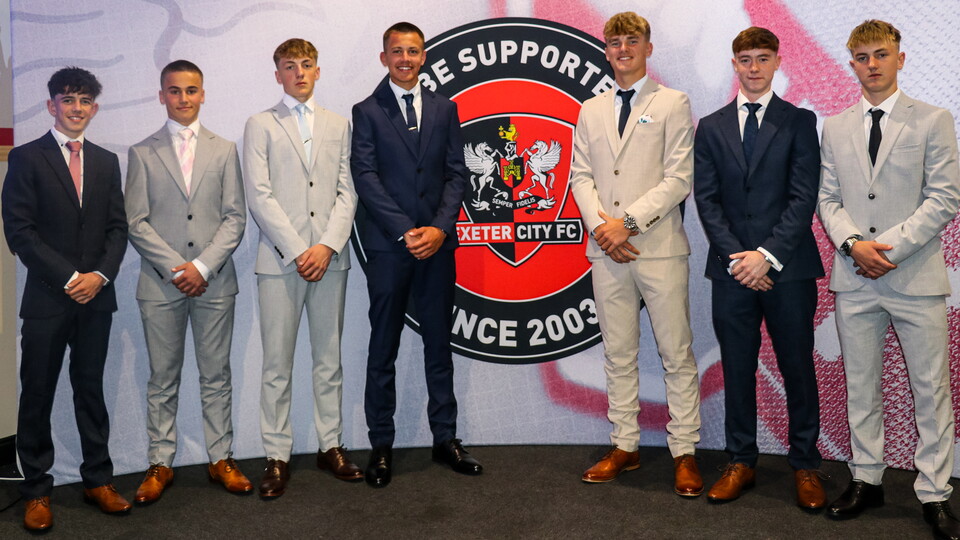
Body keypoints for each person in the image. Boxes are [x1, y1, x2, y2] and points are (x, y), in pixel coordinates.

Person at [817, 19, 960, 538]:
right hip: (854, 277)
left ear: (900, 58)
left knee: (931, 389)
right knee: (861, 385)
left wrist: (887, 251)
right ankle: (867, 479)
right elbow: (827, 198)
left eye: (881, 54)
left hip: (915, 276)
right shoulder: (834, 127)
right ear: (851, 63)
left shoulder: (933, 119)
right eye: (862, 56)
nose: (872, 64)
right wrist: (854, 245)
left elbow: (945, 196)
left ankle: (935, 493)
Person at [569, 11, 702, 496]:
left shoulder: (672, 102)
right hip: (606, 251)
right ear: (606, 51)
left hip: (658, 248)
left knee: (676, 354)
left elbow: (679, 178)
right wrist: (602, 229)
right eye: (614, 42)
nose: (622, 49)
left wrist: (624, 225)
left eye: (631, 40)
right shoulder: (591, 109)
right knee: (618, 354)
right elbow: (580, 175)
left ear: (648, 47)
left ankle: (684, 451)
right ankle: (624, 445)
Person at [694, 27, 825, 508]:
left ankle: (806, 463)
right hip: (731, 272)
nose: (754, 67)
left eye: (763, 58)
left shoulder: (800, 121)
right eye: (745, 58)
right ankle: (740, 460)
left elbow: (803, 197)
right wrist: (740, 259)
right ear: (734, 64)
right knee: (737, 367)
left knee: (797, 367)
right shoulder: (710, 126)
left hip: (788, 270)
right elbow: (707, 201)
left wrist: (765, 256)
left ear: (776, 62)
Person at [351, 21, 481, 488]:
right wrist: (407, 231)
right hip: (390, 247)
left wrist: (439, 229)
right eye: (396, 51)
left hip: (437, 247)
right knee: (383, 345)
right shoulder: (367, 111)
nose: (404, 59)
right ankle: (381, 444)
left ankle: (445, 438)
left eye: (412, 51)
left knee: (438, 345)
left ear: (423, 56)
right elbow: (365, 177)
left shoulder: (446, 109)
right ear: (384, 57)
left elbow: (456, 174)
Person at [1, 67, 130, 530]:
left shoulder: (106, 161)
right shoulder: (26, 157)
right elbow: (19, 232)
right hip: (47, 300)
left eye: (85, 101)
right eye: (68, 99)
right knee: (37, 393)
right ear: (51, 104)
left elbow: (118, 229)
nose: (77, 108)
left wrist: (99, 276)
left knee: (90, 391)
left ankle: (98, 480)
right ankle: (36, 489)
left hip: (96, 299)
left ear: (94, 108)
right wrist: (71, 277)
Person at [125, 60, 250, 504]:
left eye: (191, 90)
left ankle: (221, 458)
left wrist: (203, 267)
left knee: (217, 375)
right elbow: (136, 222)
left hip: (215, 282)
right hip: (161, 285)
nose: (183, 98)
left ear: (203, 94)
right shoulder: (141, 152)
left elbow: (235, 217)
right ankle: (160, 461)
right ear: (161, 95)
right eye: (174, 91)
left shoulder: (225, 149)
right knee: (163, 378)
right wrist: (180, 268)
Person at [243, 38, 360, 498]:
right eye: (290, 66)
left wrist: (327, 245)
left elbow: (348, 190)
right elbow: (259, 194)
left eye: (306, 64)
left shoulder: (339, 124)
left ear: (318, 70)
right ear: (278, 75)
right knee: (277, 364)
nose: (299, 73)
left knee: (329, 360)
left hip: (331, 260)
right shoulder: (260, 125)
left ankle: (331, 445)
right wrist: (298, 250)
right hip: (280, 263)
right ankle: (277, 455)